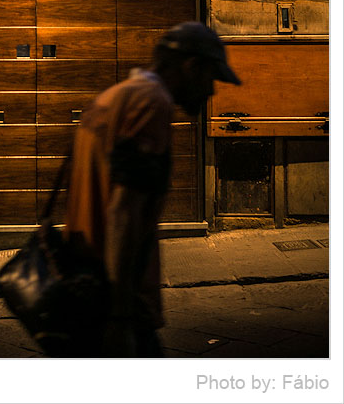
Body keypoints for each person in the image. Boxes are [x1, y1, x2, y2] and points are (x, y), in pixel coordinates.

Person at [64, 21, 241, 357]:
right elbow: (123, 212)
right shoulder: (152, 102)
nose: (212, 92)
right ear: (191, 67)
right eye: (210, 78)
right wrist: (119, 317)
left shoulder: (114, 96)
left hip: (84, 286)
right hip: (119, 302)